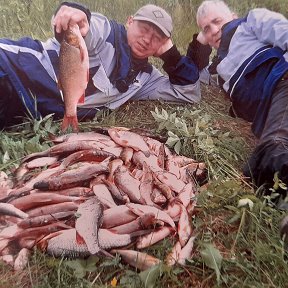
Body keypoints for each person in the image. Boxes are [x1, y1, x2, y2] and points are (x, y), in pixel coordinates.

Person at [0, 2, 200, 130]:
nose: (147, 39)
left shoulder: (145, 78)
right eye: (144, 29)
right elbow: (88, 27)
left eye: (157, 38)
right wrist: (77, 14)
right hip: (18, 71)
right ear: (130, 22)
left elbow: (189, 93)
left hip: (29, 109)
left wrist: (171, 56)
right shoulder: (107, 32)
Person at [187, 0, 288, 198]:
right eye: (206, 28)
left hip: (283, 83)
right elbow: (192, 71)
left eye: (217, 21)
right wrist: (200, 41)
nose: (214, 30)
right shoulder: (218, 67)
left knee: (274, 150)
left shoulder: (251, 21)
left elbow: (284, 33)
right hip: (271, 114)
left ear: (233, 16)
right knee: (256, 170)